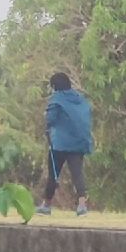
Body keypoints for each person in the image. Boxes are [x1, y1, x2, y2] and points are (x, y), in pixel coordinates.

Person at [39, 71, 94, 216]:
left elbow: (50, 119)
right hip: (79, 143)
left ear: (54, 86)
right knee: (77, 173)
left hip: (59, 144)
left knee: (53, 173)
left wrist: (46, 118)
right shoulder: (80, 99)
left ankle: (46, 205)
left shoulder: (57, 99)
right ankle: (82, 205)